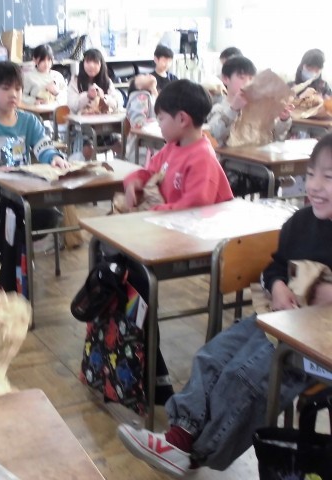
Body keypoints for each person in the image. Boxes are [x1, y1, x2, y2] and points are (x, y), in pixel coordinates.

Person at [117, 133, 332, 477]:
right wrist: (277, 286)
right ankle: (178, 438)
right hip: (281, 320)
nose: (315, 185)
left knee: (245, 375)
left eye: (329, 177)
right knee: (213, 355)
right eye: (311, 174)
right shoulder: (300, 223)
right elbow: (275, 268)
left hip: (317, 348)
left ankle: (194, 453)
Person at [0, 61, 68, 240]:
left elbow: (44, 147)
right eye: (6, 88)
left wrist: (54, 157)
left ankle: (19, 251)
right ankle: (13, 252)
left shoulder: (29, 121)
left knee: (49, 216)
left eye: (18, 89)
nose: (13, 94)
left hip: (22, 192)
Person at [124, 79, 233, 211]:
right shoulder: (171, 147)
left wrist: (153, 212)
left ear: (182, 119)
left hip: (192, 221)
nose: (159, 124)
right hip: (170, 218)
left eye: (161, 118)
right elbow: (150, 172)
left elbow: (194, 208)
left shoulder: (202, 159)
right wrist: (134, 182)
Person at [207, 56, 292, 148]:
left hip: (258, 155)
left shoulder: (258, 109)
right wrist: (233, 109)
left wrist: (284, 120)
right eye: (241, 78)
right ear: (225, 79)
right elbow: (211, 136)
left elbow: (275, 136)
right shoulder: (219, 109)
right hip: (231, 156)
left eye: (251, 79)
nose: (247, 82)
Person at [67, 48, 122, 115]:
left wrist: (103, 97)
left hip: (104, 119)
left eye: (96, 62)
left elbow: (116, 105)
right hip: (82, 120)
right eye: (88, 62)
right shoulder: (75, 81)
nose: (91, 66)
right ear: (83, 64)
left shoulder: (107, 81)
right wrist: (87, 96)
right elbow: (72, 106)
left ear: (101, 65)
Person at [125, 74, 158, 164]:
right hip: (143, 145)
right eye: (143, 76)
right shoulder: (140, 97)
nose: (148, 75)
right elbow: (137, 122)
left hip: (150, 141)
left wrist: (153, 89)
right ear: (138, 86)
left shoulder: (150, 96)